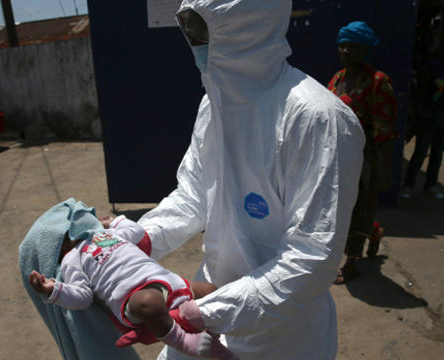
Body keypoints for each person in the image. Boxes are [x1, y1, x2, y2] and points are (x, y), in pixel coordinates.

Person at [133, 1, 366, 359]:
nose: (195, 43)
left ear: (247, 26)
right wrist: (132, 240)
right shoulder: (215, 106)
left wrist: (202, 313)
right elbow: (193, 198)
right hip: (209, 304)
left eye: (204, 30)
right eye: (189, 30)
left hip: (281, 337)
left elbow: (311, 258)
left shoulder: (317, 119)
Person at [27, 206, 236, 359]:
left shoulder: (106, 234)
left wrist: (116, 222)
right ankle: (183, 342)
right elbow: (83, 296)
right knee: (149, 303)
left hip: (165, 280)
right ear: (56, 247)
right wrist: (53, 289)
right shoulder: (72, 260)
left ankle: (212, 340)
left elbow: (137, 232)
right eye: (62, 235)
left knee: (208, 289)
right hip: (133, 297)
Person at [326, 21, 398, 284]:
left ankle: (352, 262)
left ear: (365, 49)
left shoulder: (378, 82)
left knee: (359, 208)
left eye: (352, 47)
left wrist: (385, 168)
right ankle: (374, 231)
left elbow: (386, 131)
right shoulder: (337, 79)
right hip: (337, 154)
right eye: (342, 45)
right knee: (339, 207)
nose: (345, 51)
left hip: (365, 156)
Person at [402, 35, 444, 199]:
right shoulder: (432, 66)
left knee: (437, 153)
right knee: (420, 152)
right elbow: (420, 92)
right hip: (429, 116)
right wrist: (420, 115)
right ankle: (409, 184)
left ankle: (431, 185)